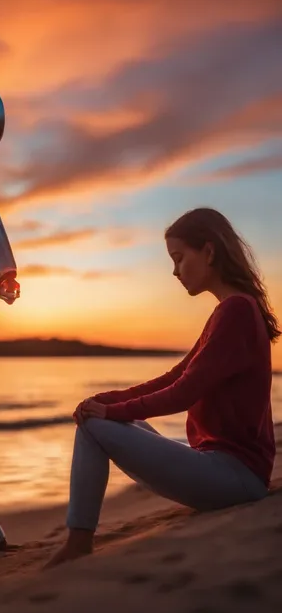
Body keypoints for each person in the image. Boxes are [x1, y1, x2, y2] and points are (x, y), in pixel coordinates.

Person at [45, 207, 280, 569]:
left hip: (235, 478)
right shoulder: (231, 310)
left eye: (179, 258)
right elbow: (174, 376)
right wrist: (106, 400)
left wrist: (108, 413)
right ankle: (78, 539)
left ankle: (78, 542)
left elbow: (183, 393)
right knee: (103, 419)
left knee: (94, 426)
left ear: (210, 252)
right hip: (231, 472)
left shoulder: (235, 312)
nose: (174, 271)